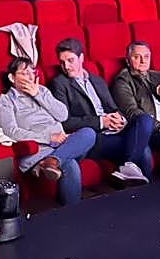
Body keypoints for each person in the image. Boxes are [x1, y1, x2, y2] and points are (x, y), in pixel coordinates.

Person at [49, 39, 152, 185]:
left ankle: (129, 167)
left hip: (114, 130)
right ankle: (132, 172)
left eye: (70, 60)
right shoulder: (59, 83)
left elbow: (113, 108)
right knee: (144, 150)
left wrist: (119, 119)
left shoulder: (96, 80)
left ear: (81, 58)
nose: (66, 66)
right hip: (94, 136)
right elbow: (65, 122)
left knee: (145, 119)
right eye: (62, 62)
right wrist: (101, 122)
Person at [0, 58, 95, 205]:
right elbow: (10, 132)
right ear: (12, 77)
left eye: (32, 72)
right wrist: (48, 137)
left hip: (63, 144)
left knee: (89, 133)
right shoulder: (6, 101)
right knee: (70, 165)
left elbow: (63, 115)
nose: (30, 77)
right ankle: (72, 213)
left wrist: (38, 95)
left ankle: (52, 161)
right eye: (24, 73)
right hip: (39, 150)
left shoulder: (42, 91)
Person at [112, 40, 160, 154]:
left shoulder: (158, 76)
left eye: (146, 56)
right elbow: (131, 112)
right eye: (137, 57)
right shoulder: (122, 81)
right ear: (128, 61)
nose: (143, 61)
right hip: (152, 132)